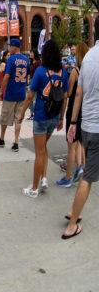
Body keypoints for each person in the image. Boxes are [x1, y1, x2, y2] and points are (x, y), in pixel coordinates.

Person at [18, 39, 69, 198]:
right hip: (54, 117)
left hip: (41, 116)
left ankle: (34, 188)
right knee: (43, 148)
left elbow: (30, 96)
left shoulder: (40, 72)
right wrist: (62, 118)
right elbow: (65, 97)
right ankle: (44, 178)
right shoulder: (64, 72)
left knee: (39, 152)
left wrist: (21, 114)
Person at [63, 18, 99, 239]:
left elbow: (78, 93)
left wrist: (73, 123)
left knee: (88, 170)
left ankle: (73, 212)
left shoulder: (88, 58)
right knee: (88, 177)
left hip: (87, 125)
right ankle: (71, 224)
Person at [59, 42, 89, 187]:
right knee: (79, 142)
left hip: (73, 110)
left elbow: (69, 93)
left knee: (71, 144)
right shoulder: (88, 70)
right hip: (85, 109)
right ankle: (81, 166)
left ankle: (67, 177)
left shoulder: (75, 72)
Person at [0, 39, 29, 152]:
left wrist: (1, 90)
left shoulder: (11, 59)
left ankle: (2, 139)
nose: (9, 48)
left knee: (5, 117)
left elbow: (7, 76)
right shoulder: (26, 59)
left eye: (10, 46)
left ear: (14, 47)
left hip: (11, 93)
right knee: (18, 118)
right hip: (21, 93)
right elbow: (27, 77)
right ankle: (16, 142)